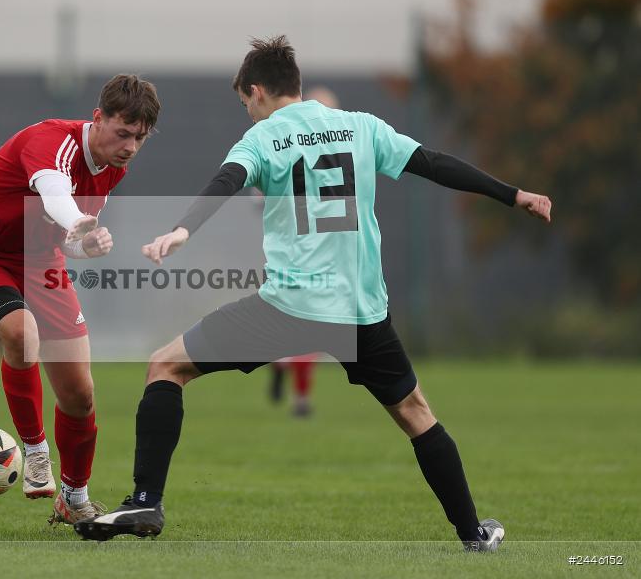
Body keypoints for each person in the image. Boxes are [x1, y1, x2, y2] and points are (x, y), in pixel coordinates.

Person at [74, 37, 552, 550]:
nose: (248, 114)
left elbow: (225, 182)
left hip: (291, 307)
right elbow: (433, 164)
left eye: (244, 104)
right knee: (415, 413)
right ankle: (473, 534)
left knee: (166, 367)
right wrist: (514, 194)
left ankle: (146, 500)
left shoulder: (261, 139)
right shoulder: (361, 126)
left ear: (256, 91)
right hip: (360, 310)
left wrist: (183, 231)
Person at [0, 74, 160, 525]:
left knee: (80, 393)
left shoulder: (114, 166)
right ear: (98, 118)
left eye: (140, 137)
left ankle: (74, 499)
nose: (130, 146)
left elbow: (68, 236)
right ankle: (36, 452)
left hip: (41, 260)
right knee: (21, 333)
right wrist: (80, 221)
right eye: (123, 133)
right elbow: (54, 192)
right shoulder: (50, 140)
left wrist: (85, 246)